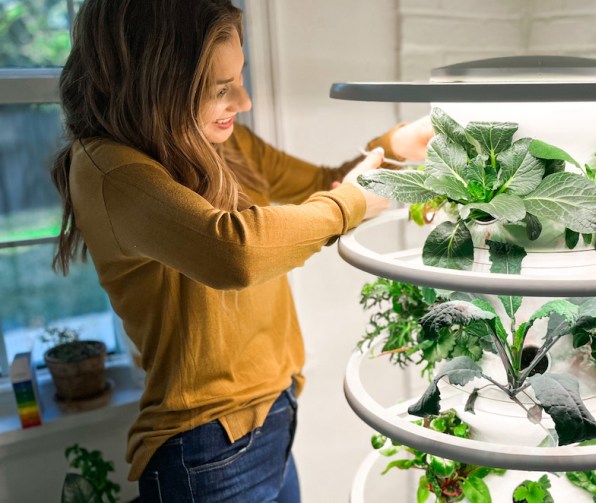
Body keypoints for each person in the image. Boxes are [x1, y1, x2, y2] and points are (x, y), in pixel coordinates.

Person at [49, 1, 432, 501]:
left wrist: (395, 145)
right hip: (204, 447)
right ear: (156, 86)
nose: (244, 102)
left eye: (239, 78)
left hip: (273, 416)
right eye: (221, 89)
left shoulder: (217, 140)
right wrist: (351, 203)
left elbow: (321, 186)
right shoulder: (110, 171)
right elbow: (233, 250)